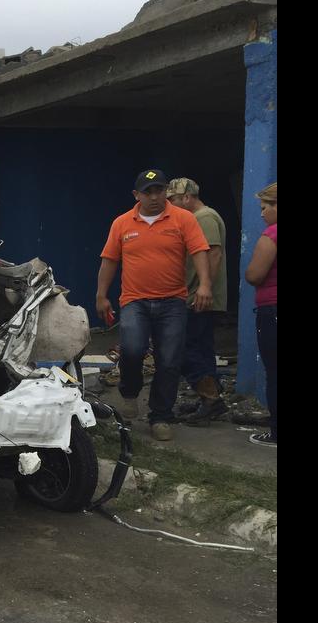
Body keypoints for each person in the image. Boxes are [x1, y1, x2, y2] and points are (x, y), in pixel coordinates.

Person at [96, 168, 212, 441]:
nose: (154, 197)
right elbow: (110, 260)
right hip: (135, 301)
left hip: (173, 301)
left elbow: (199, 251)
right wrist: (101, 295)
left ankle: (160, 415)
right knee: (133, 350)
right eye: (148, 192)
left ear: (166, 192)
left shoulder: (183, 219)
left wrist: (205, 285)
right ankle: (129, 391)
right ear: (136, 195)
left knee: (170, 360)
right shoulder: (122, 223)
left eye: (159, 190)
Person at [167, 177, 229, 425]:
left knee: (187, 349)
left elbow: (213, 253)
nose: (170, 205)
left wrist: (204, 289)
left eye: (173, 200)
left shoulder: (204, 218)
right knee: (200, 348)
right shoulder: (198, 218)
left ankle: (211, 400)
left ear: (187, 197)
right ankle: (208, 398)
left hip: (199, 298)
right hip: (196, 295)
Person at [244, 182, 277, 447]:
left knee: (274, 371)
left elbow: (255, 275)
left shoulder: (271, 236)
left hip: (273, 311)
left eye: (265, 207)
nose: (263, 213)